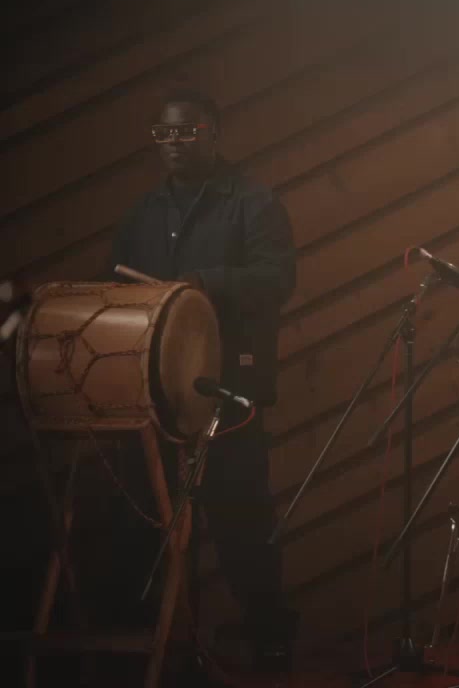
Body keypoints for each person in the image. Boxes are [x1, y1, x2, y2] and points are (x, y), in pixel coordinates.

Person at [109, 88, 298, 671]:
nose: (174, 143)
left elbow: (276, 280)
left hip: (226, 390)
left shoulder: (253, 202)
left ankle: (271, 644)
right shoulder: (144, 212)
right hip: (155, 395)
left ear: (214, 134)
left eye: (187, 132)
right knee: (154, 523)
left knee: (242, 522)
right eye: (164, 134)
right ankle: (173, 647)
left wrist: (203, 282)